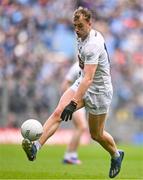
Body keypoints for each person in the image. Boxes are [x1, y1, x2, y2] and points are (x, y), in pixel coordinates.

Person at [22, 7, 124, 178]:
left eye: (81, 26)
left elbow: (89, 79)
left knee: (96, 135)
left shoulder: (93, 45)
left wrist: (74, 103)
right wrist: (71, 102)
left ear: (90, 24)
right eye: (75, 26)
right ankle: (35, 147)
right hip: (82, 81)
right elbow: (84, 77)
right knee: (57, 113)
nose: (77, 30)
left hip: (99, 90)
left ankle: (116, 155)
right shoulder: (80, 36)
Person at [61, 62, 87, 165]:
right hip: (74, 101)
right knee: (82, 126)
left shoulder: (90, 64)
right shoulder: (77, 66)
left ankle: (72, 155)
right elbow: (65, 83)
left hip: (80, 101)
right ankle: (69, 155)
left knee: (80, 128)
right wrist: (70, 99)